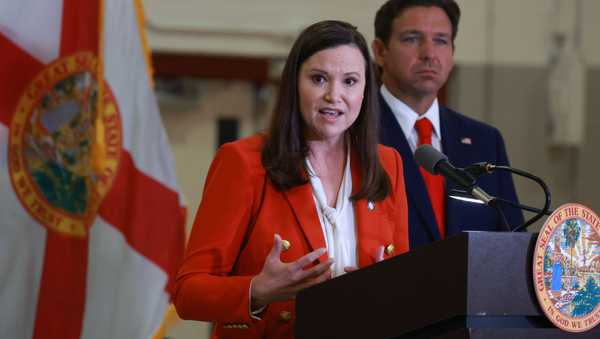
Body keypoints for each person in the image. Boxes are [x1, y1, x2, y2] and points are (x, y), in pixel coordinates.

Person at [173, 20, 409, 339]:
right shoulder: (243, 162)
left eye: (350, 81)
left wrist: (389, 294)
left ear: (366, 90)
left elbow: (407, 286)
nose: (333, 95)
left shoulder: (387, 163)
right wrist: (257, 290)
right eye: (318, 78)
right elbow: (188, 293)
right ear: (294, 83)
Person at [372, 0, 524, 249]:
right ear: (380, 51)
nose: (429, 53)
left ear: (452, 53)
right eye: (412, 38)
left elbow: (511, 241)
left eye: (441, 40)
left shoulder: (486, 140)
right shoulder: (355, 133)